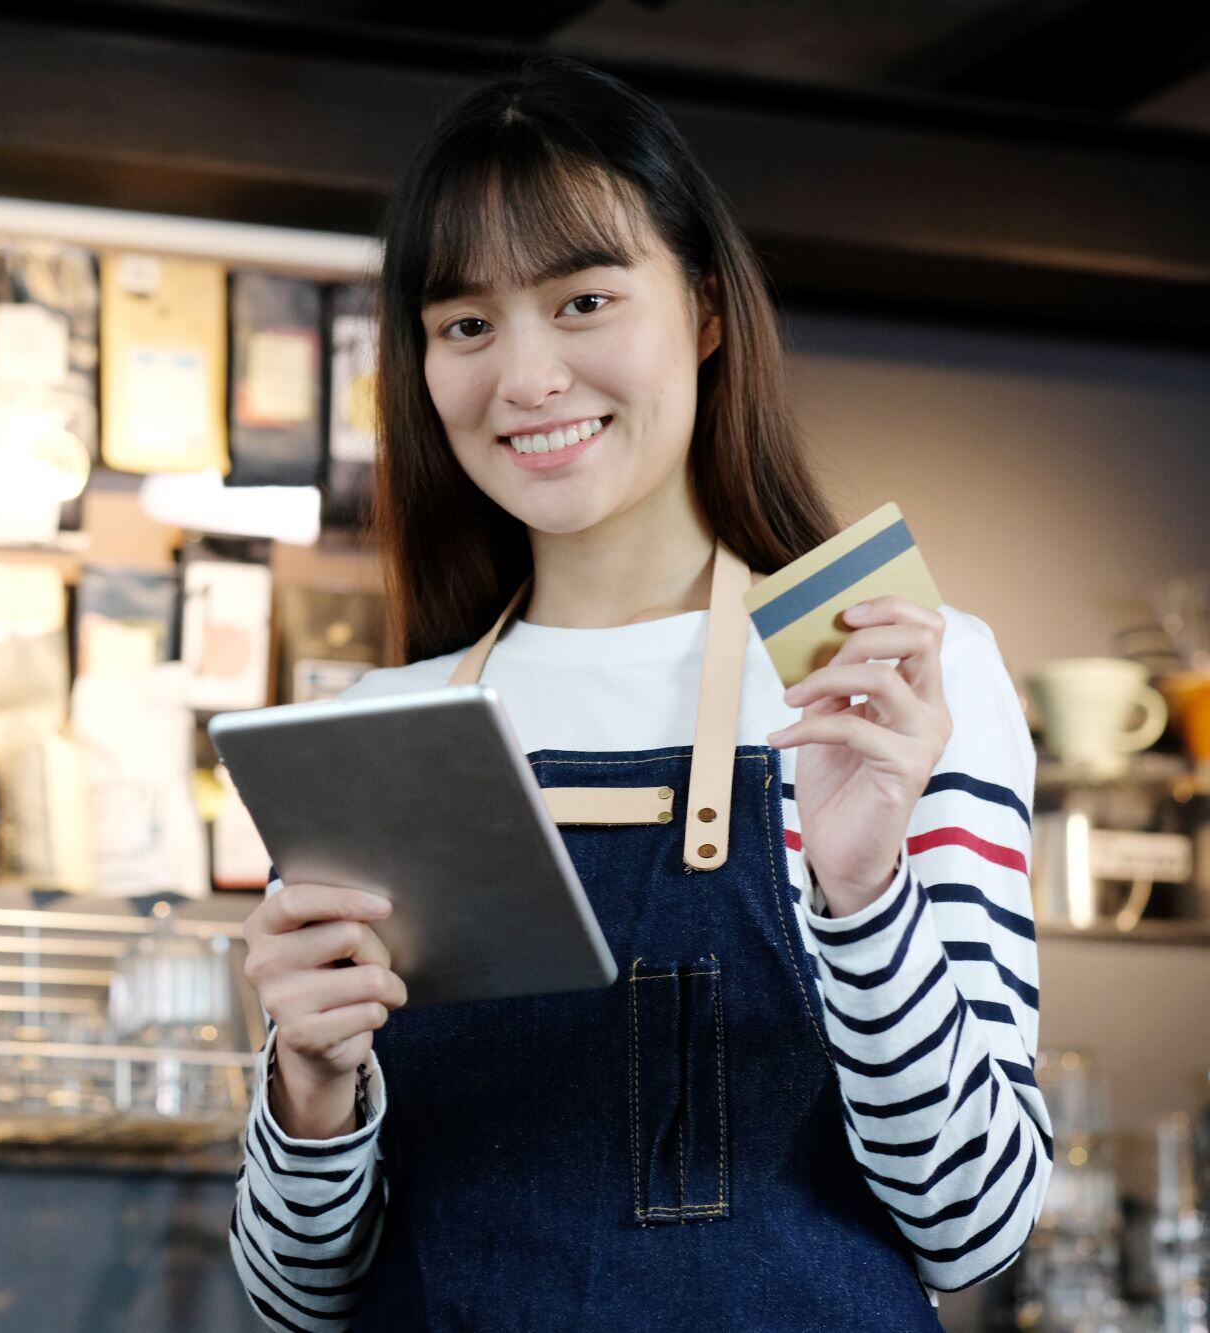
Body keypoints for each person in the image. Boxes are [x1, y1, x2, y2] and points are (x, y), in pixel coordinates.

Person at [229, 54, 1051, 1330]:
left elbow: (976, 1226)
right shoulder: (374, 731)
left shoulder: (875, 673)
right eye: (464, 324)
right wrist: (310, 1082)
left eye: (582, 299)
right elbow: (294, 1301)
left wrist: (862, 897)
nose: (525, 379)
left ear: (707, 310)